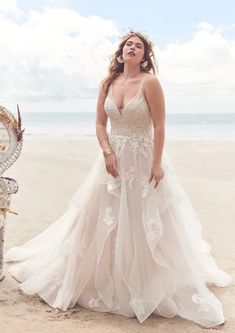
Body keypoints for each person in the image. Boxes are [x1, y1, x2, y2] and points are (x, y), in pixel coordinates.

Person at [5, 30, 231, 328]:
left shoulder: (150, 82)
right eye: (128, 45)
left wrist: (157, 163)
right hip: (112, 159)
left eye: (138, 46)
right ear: (121, 52)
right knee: (99, 217)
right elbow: (100, 123)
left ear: (145, 55)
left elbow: (160, 126)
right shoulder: (108, 83)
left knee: (143, 218)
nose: (132, 49)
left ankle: (146, 281)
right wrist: (108, 152)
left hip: (144, 157)